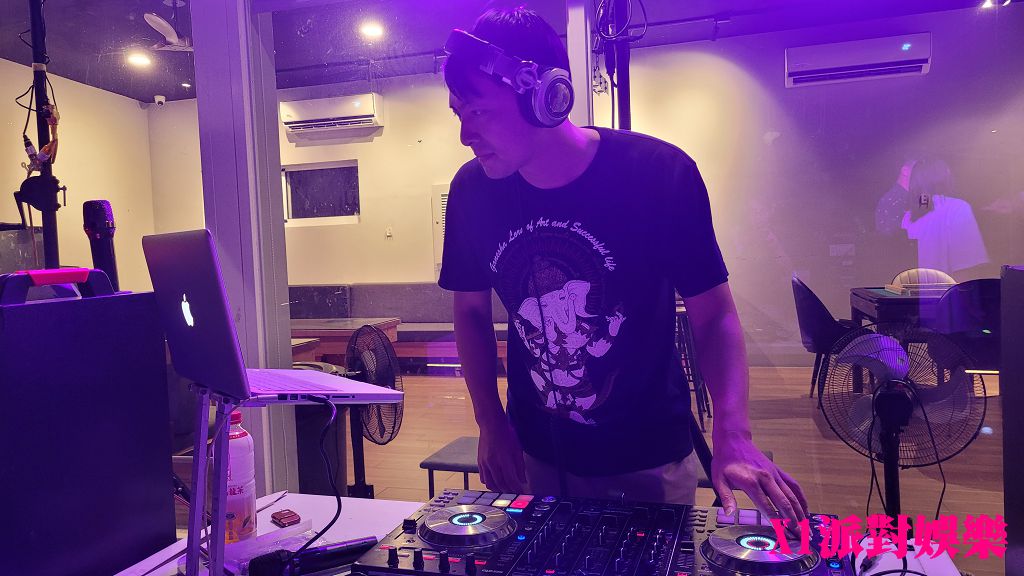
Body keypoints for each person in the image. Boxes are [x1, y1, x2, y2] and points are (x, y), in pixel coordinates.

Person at [437, 6, 807, 525]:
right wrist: (490, 422)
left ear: (545, 97)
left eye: (477, 112)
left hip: (649, 457)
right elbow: (471, 312)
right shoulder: (471, 192)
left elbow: (715, 316)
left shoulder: (658, 174)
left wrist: (734, 432)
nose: (464, 134)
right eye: (459, 114)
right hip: (534, 453)